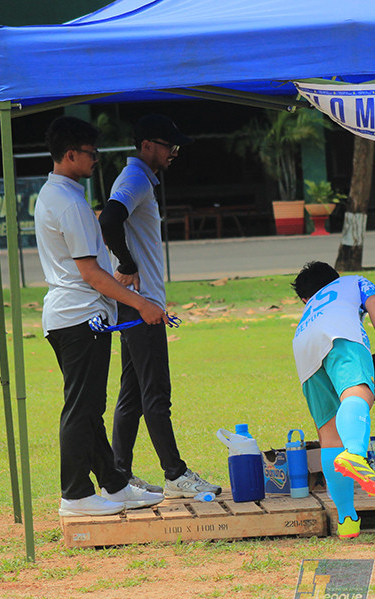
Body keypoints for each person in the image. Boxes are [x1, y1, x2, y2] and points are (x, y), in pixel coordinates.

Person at [35, 116, 166, 517]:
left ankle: (114, 484)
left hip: (71, 315)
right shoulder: (71, 203)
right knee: (82, 408)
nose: (95, 161)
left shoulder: (56, 194)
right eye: (90, 154)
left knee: (89, 406)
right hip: (79, 317)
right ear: (70, 154)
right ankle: (75, 494)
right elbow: (90, 273)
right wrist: (141, 303)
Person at [98, 114, 221, 498]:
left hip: (139, 304)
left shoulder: (138, 180)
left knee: (133, 393)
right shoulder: (134, 179)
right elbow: (110, 220)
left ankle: (119, 474)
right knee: (156, 392)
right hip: (141, 306)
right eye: (169, 146)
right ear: (147, 145)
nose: (174, 153)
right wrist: (127, 264)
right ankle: (175, 474)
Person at [291, 261, 375, 539]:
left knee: (329, 433)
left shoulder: (309, 308)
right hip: (342, 335)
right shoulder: (353, 282)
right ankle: (354, 453)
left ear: (305, 297)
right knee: (359, 393)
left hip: (303, 346)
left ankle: (347, 519)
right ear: (334, 279)